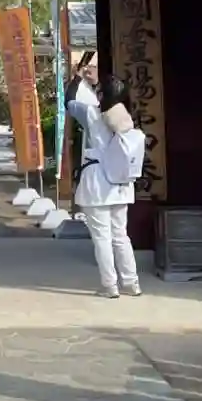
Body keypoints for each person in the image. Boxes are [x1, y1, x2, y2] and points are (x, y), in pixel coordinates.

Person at [68, 77, 145, 299]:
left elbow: (69, 101)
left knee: (102, 237)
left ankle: (109, 285)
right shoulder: (127, 118)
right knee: (121, 236)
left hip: (97, 184)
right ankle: (131, 283)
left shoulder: (91, 113)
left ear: (101, 95)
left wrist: (77, 77)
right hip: (120, 184)